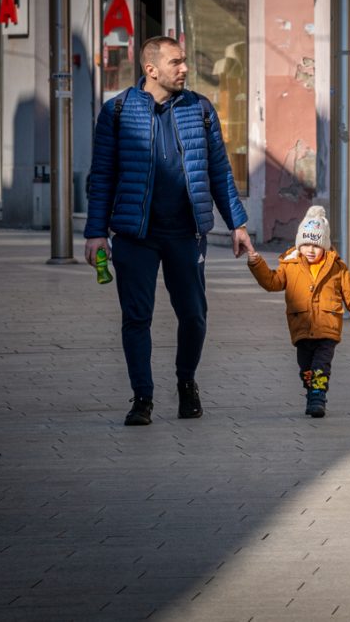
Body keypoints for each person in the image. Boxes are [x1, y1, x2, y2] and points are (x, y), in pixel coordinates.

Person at [85, 35, 252, 427]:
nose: (184, 69)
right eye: (176, 62)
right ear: (151, 69)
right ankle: (142, 397)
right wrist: (96, 232)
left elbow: (219, 172)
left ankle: (186, 381)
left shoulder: (201, 109)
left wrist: (238, 224)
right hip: (134, 235)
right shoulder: (117, 112)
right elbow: (102, 176)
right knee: (136, 317)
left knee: (193, 316)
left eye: (185, 62)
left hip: (185, 233)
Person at [246, 206, 350, 418]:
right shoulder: (291, 264)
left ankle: (318, 396)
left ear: (324, 245)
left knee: (320, 366)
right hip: (302, 328)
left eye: (316, 245)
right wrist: (256, 263)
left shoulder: (336, 267)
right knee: (305, 368)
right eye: (306, 244)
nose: (310, 250)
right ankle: (312, 391)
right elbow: (272, 282)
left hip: (328, 328)